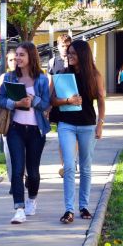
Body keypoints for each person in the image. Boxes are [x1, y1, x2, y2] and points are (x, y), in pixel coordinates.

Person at [51, 40, 105, 224]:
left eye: (73, 52)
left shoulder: (95, 76)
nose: (69, 55)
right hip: (66, 124)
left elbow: (102, 101)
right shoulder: (62, 74)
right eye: (68, 52)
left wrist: (100, 124)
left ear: (83, 54)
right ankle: (68, 210)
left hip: (87, 125)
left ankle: (83, 206)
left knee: (86, 167)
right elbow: (53, 101)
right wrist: (68, 101)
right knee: (68, 166)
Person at [0, 42, 51, 224]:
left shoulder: (41, 79)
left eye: (22, 55)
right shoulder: (10, 77)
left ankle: (32, 199)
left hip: (36, 130)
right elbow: (0, 98)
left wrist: (32, 100)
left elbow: (46, 104)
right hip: (15, 129)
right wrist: (16, 104)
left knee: (33, 173)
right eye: (17, 55)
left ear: (31, 57)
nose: (18, 58)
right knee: (17, 169)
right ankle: (18, 209)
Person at [47, 34, 72, 178]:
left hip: (74, 103)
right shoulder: (53, 62)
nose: (65, 48)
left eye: (67, 45)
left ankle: (71, 160)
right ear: (58, 46)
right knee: (62, 135)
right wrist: (48, 104)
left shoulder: (75, 60)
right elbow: (50, 84)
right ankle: (64, 164)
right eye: (62, 45)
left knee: (73, 136)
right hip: (58, 103)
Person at [0, 50, 17, 194]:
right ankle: (13, 183)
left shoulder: (28, 77)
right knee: (9, 153)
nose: (14, 62)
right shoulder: (4, 77)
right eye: (11, 60)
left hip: (26, 122)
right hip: (8, 121)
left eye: (16, 59)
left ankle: (26, 177)